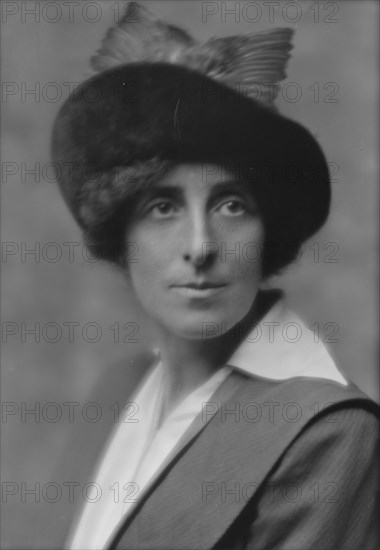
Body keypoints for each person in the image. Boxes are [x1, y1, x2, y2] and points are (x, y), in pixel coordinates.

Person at [51, 3, 379, 549]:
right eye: (163, 207)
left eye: (231, 206)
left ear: (267, 234)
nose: (200, 247)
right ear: (121, 237)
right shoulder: (117, 391)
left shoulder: (328, 431)